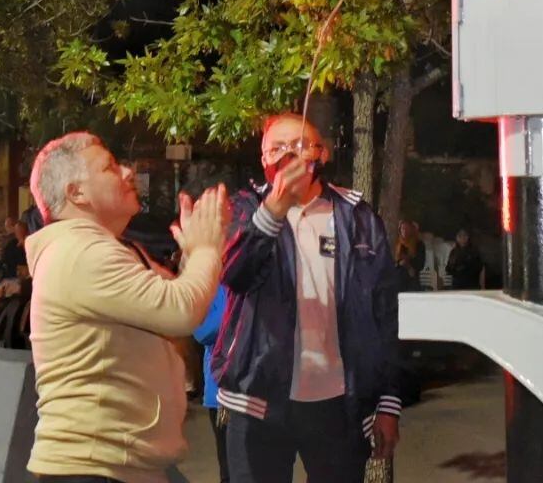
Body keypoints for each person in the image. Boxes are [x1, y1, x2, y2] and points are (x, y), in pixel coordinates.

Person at [25, 131, 225, 483]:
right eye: (109, 167)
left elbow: (167, 302)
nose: (128, 172)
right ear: (76, 192)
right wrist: (208, 248)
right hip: (96, 466)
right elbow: (180, 311)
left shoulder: (100, 249)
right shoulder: (83, 253)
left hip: (123, 462)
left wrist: (193, 257)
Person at [214, 113, 401, 483]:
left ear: (322, 154)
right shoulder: (244, 209)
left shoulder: (357, 217)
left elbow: (386, 313)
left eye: (298, 145)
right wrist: (274, 211)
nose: (287, 154)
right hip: (257, 400)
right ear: (263, 159)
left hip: (338, 401)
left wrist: (388, 402)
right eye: (276, 147)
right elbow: (235, 273)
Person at [194, 286, 231, 483]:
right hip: (221, 394)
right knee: (229, 469)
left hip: (260, 392)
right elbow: (202, 332)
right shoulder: (213, 288)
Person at [393, 219, 425, 292]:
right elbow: (393, 261)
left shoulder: (419, 244)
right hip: (398, 278)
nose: (404, 231)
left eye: (407, 228)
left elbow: (420, 263)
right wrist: (399, 263)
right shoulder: (398, 244)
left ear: (411, 230)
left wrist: (408, 264)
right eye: (402, 228)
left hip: (412, 278)